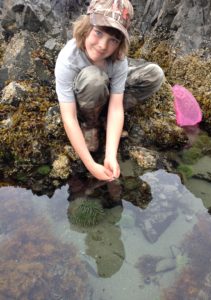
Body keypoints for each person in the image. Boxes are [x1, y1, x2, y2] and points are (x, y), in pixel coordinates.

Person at [55, 0, 164, 182]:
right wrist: (91, 165)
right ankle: (91, 125)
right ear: (86, 26)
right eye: (98, 33)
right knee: (94, 78)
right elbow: (69, 117)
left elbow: (116, 107)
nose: (103, 46)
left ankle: (105, 120)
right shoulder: (68, 59)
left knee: (155, 74)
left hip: (108, 96)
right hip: (84, 98)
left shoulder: (118, 60)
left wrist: (110, 156)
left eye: (113, 40)